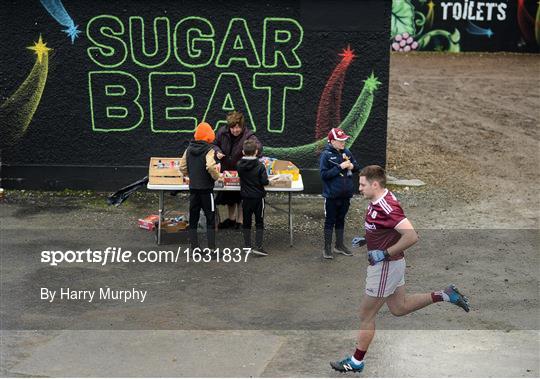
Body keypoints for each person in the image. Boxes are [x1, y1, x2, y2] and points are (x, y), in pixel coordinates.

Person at [330, 165, 470, 373]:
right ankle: (445, 295)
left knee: (365, 315)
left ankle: (356, 361)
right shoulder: (377, 201)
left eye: (362, 184)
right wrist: (368, 239)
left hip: (385, 266)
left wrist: (383, 253)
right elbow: (383, 228)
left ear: (374, 184)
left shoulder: (387, 207)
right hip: (391, 265)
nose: (359, 188)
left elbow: (411, 236)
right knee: (399, 307)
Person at [213, 111, 262, 229]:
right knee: (230, 196)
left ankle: (240, 222)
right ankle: (231, 219)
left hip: (242, 172)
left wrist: (252, 153)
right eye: (233, 128)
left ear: (242, 126)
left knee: (241, 197)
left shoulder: (248, 135)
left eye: (238, 127)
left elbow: (258, 147)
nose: (236, 130)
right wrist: (217, 151)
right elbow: (214, 144)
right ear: (229, 127)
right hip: (226, 171)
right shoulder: (221, 132)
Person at [319, 127, 360, 259]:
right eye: (340, 140)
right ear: (331, 141)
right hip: (331, 196)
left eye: (344, 140)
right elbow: (324, 175)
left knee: (341, 220)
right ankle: (327, 248)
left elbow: (357, 167)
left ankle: (339, 245)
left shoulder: (347, 152)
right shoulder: (325, 155)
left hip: (346, 194)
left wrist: (352, 166)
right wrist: (339, 167)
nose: (343, 143)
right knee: (330, 221)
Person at [179, 122, 221, 252]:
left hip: (193, 189)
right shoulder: (209, 150)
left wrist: (191, 174)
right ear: (209, 136)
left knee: (193, 218)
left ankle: (194, 248)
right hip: (206, 190)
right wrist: (216, 176)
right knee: (210, 218)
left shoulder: (189, 149)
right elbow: (210, 166)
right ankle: (212, 250)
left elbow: (182, 167)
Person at [236, 139, 269, 256]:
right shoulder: (260, 166)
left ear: (243, 152)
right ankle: (259, 247)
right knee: (259, 222)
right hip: (258, 198)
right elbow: (265, 181)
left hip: (245, 198)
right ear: (256, 151)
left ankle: (247, 246)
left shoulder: (239, 165)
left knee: (247, 221)